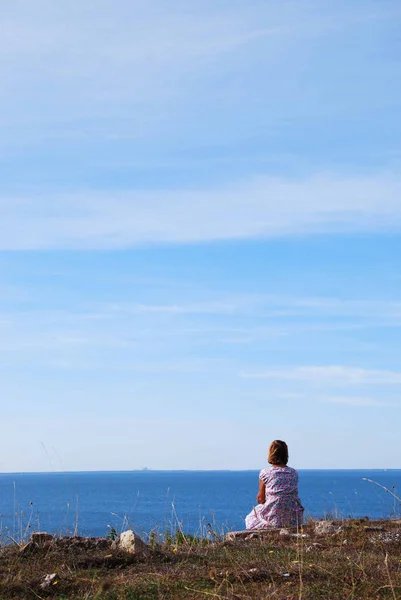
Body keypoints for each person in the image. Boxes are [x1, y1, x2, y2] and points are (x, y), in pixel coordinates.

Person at [245, 440, 304, 529]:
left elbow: (261, 498)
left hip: (273, 519)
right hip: (294, 520)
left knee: (251, 517)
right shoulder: (293, 473)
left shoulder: (265, 473)